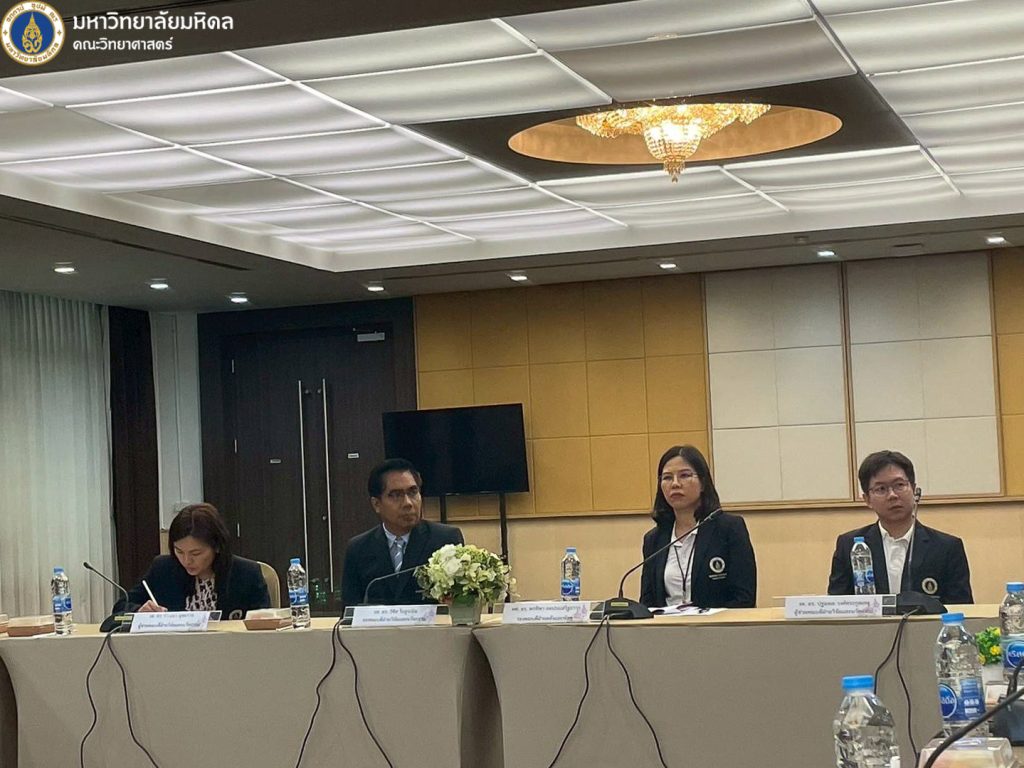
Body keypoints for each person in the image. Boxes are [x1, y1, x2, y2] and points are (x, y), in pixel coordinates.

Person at [828, 450, 973, 604]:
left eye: (899, 485)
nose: (892, 495)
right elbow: (836, 606)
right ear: (867, 499)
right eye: (881, 489)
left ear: (914, 490)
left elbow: (962, 608)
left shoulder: (946, 547)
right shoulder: (849, 546)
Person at [103, 503, 270, 629]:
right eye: (179, 551)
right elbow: (119, 610)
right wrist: (139, 611)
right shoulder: (163, 569)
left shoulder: (246, 573)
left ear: (217, 547)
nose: (186, 560)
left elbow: (266, 622)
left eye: (196, 553)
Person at [639, 445, 757, 609]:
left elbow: (744, 598)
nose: (675, 484)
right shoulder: (654, 540)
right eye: (667, 478)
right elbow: (647, 604)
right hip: (667, 625)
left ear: (703, 483)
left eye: (684, 475)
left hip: (717, 625)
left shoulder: (729, 529)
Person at [341, 458, 464, 608]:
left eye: (413, 492)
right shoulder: (358, 548)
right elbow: (349, 611)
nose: (408, 503)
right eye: (396, 495)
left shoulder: (445, 539)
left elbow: (461, 604)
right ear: (377, 504)